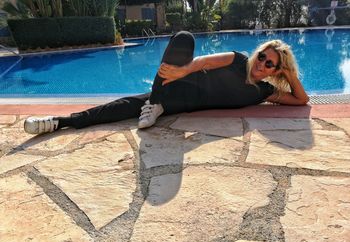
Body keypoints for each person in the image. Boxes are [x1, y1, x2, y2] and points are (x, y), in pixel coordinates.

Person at [24, 31, 309, 135]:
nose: (262, 64)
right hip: (173, 86)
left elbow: (301, 100)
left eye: (270, 64)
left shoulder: (264, 92)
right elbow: (205, 62)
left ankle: (156, 105)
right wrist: (181, 71)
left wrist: (291, 76)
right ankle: (58, 121)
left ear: (277, 70)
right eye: (262, 56)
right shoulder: (237, 59)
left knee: (133, 106)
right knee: (183, 39)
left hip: (174, 106)